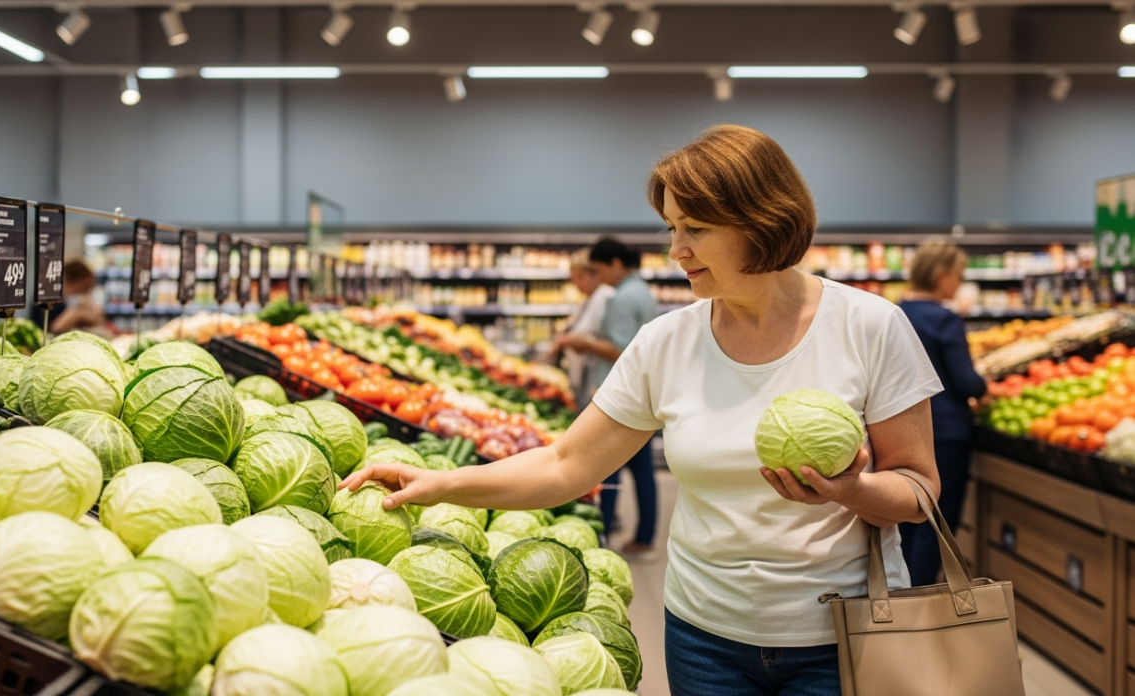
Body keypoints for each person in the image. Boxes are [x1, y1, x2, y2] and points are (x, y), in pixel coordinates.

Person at [344, 124, 942, 695]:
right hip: (705, 639)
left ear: (760, 221)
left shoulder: (870, 326)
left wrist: (850, 491)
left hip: (843, 633)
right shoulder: (666, 343)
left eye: (696, 228)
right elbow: (566, 464)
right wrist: (442, 484)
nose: (676, 249)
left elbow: (919, 491)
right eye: (671, 228)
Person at [558, 237, 660, 555]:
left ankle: (602, 532)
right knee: (643, 471)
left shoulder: (621, 299)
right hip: (642, 393)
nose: (599, 278)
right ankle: (644, 536)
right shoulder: (642, 291)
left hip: (619, 394)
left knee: (607, 468)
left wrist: (585, 343)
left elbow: (621, 348)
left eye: (600, 270)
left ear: (616, 263)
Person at [897, 240, 986, 587]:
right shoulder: (944, 319)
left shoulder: (894, 312)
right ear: (941, 276)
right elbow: (966, 381)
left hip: (899, 428)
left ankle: (897, 595)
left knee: (905, 520)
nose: (959, 284)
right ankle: (919, 602)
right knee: (938, 524)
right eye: (958, 276)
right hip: (945, 433)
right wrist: (986, 387)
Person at [550, 248, 617, 410]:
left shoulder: (606, 298)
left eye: (580, 277)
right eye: (574, 277)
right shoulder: (589, 299)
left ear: (596, 274)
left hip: (598, 381)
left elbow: (611, 343)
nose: (576, 283)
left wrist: (580, 341)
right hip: (584, 380)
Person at [45, 260, 105, 334]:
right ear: (75, 281)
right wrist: (78, 313)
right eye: (85, 286)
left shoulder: (69, 299)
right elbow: (55, 328)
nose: (87, 291)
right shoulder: (52, 298)